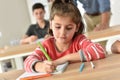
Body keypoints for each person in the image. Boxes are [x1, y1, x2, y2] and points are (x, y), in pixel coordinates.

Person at [24, 0, 106, 73]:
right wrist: (41, 66)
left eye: (69, 28)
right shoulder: (46, 45)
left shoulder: (79, 41)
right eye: (58, 27)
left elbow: (99, 50)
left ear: (77, 27)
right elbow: (28, 62)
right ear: (51, 25)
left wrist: (64, 59)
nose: (62, 33)